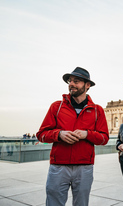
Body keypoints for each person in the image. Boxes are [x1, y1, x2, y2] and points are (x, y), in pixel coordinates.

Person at [36, 67, 109, 206]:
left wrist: (87, 134)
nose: (71, 84)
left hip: (84, 167)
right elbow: (41, 135)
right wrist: (59, 134)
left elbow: (104, 138)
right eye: (70, 81)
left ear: (87, 85)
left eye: (77, 81)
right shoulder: (56, 107)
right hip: (58, 167)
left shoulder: (97, 110)